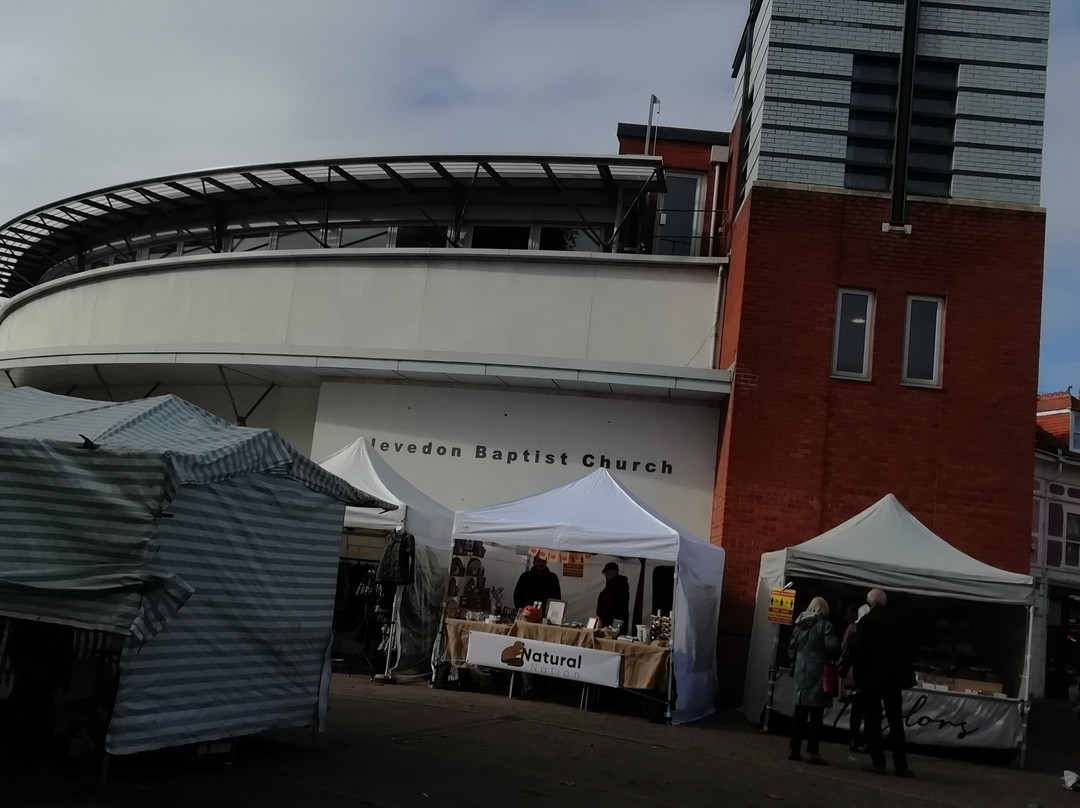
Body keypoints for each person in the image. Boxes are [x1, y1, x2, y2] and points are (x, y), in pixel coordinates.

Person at [852, 588, 915, 777]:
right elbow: (907, 649)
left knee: (873, 721)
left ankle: (878, 762)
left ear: (870, 603)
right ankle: (901, 765)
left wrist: (858, 677)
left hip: (871, 679)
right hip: (894, 678)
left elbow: (859, 651)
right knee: (896, 722)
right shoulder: (899, 622)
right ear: (885, 602)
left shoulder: (866, 622)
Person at [787, 596, 839, 765]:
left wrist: (795, 664)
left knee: (799, 712)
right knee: (816, 714)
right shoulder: (825, 625)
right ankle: (813, 752)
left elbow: (792, 648)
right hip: (818, 671)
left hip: (801, 670)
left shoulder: (799, 625)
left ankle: (794, 749)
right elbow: (832, 646)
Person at [839, 603, 870, 752]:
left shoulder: (853, 628)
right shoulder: (874, 629)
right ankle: (868, 742)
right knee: (870, 711)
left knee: (856, 710)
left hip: (855, 673)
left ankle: (853, 740)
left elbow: (844, 646)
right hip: (871, 675)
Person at [595, 562, 630, 629]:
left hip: (610, 625)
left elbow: (606, 607)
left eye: (606, 573)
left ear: (611, 572)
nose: (605, 576)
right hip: (617, 624)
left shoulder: (614, 586)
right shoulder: (622, 585)